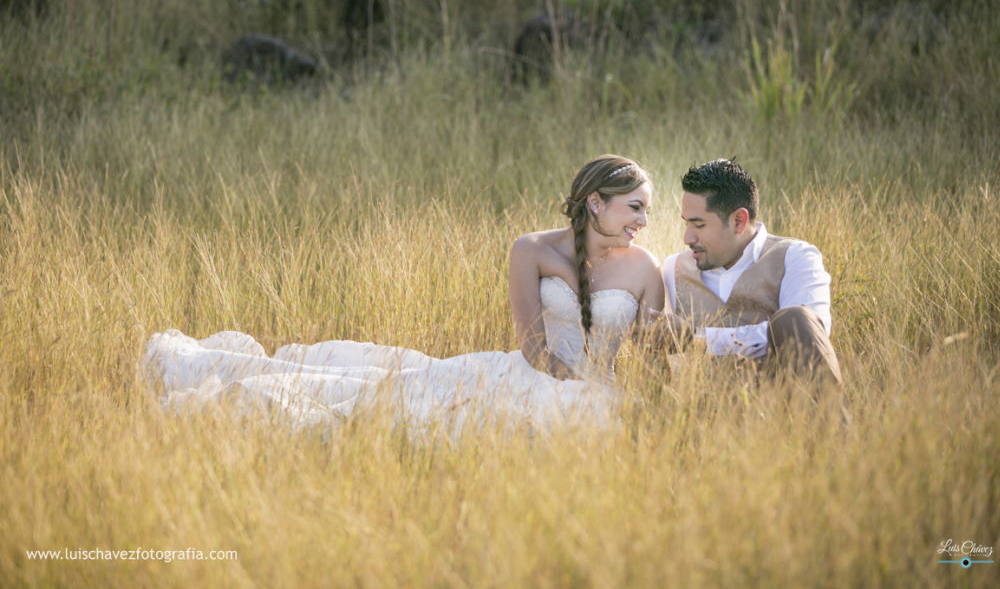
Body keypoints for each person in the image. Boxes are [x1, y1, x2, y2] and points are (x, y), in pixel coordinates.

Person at [143, 155, 664, 431]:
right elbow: (532, 345)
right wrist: (577, 385)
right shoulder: (530, 249)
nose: (645, 220)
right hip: (530, 375)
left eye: (647, 208)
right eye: (635, 207)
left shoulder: (645, 268)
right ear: (595, 202)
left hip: (600, 394)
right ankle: (216, 375)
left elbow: (655, 350)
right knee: (380, 399)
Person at [647, 159, 843, 388]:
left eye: (699, 225)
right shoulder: (673, 269)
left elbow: (809, 336)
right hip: (702, 415)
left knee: (796, 318)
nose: (687, 238)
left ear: (738, 221)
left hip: (785, 411)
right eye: (686, 224)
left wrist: (697, 338)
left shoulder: (796, 257)